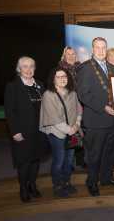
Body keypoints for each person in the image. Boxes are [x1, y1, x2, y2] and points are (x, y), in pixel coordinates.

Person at [77, 37, 114, 197]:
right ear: (92, 49)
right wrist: (104, 107)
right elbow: (83, 94)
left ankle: (107, 178)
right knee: (94, 154)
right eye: (97, 47)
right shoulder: (86, 68)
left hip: (112, 120)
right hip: (96, 120)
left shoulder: (112, 68)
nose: (101, 50)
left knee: (110, 153)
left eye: (103, 47)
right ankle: (92, 182)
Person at [4, 56, 46, 203]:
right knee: (24, 162)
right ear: (19, 69)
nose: (28, 69)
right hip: (22, 131)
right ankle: (23, 187)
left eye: (31, 66)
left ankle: (32, 185)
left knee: (35, 160)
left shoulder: (40, 85)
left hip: (39, 131)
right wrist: (15, 131)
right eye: (25, 66)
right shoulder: (12, 86)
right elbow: (9, 111)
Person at [40, 67, 82, 198]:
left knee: (69, 161)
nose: (62, 79)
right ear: (53, 79)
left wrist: (77, 124)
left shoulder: (72, 93)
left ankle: (67, 182)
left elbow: (79, 110)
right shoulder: (48, 95)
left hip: (72, 131)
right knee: (59, 160)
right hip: (56, 133)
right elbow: (53, 118)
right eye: (58, 77)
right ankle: (57, 185)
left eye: (64, 76)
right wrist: (70, 130)